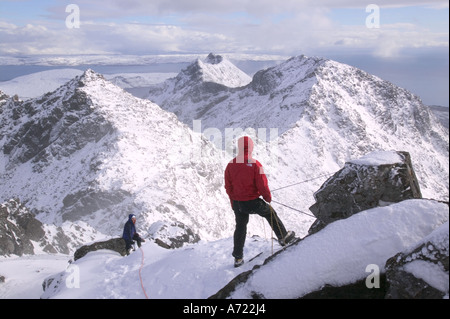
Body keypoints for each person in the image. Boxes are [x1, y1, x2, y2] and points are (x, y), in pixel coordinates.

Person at [224, 136, 295, 267]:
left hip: (237, 203)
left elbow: (228, 187)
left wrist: (233, 201)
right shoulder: (256, 164)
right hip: (252, 202)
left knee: (240, 227)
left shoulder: (230, 165)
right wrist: (267, 198)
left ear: (239, 148)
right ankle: (283, 237)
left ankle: (238, 258)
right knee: (270, 213)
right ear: (251, 148)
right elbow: (262, 184)